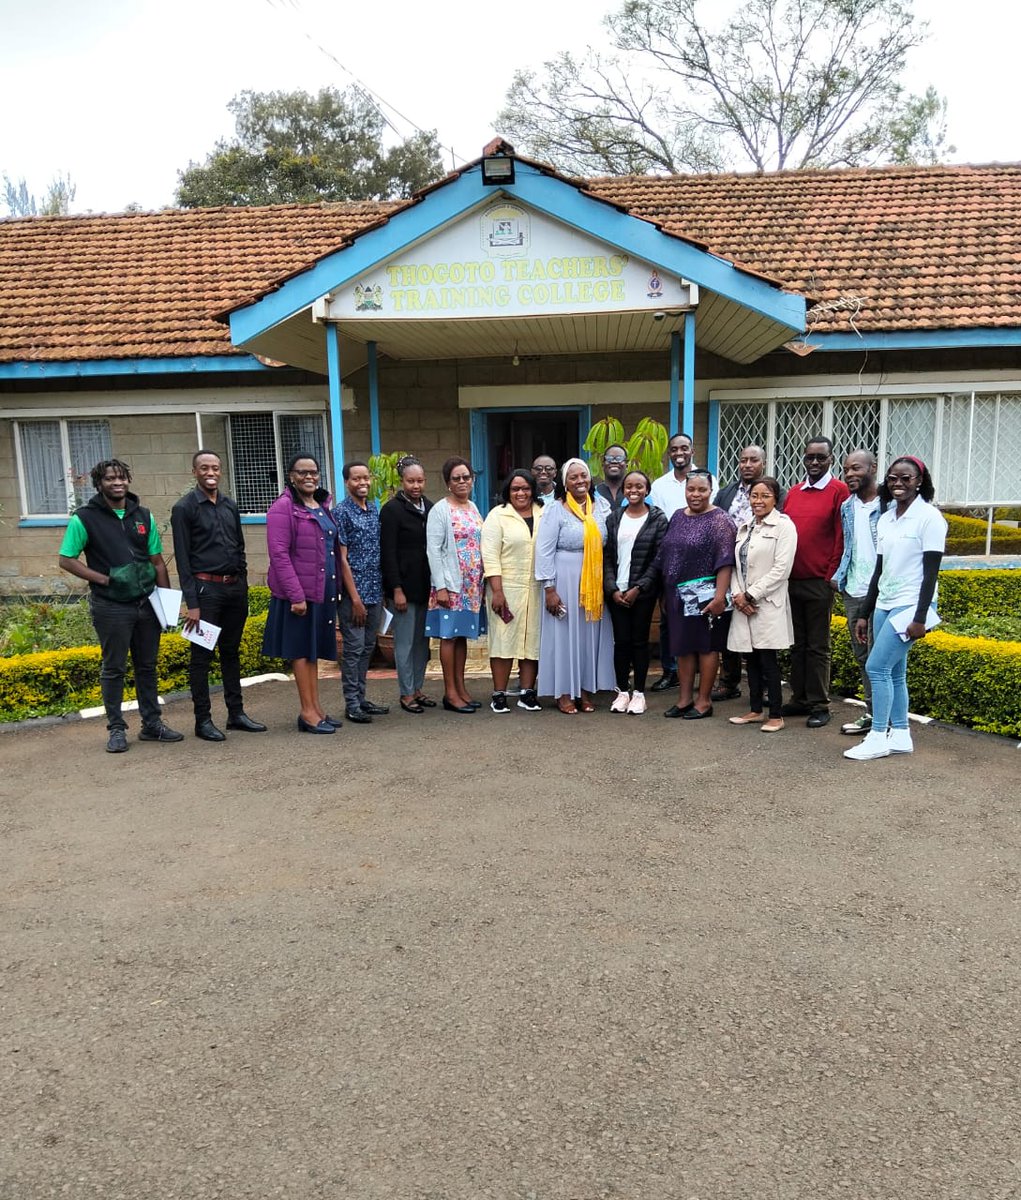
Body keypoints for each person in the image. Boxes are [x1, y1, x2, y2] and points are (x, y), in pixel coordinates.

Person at [58, 458, 183, 753]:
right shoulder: (84, 518)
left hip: (146, 604)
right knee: (114, 668)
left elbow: (156, 562)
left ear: (128, 480)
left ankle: (152, 725)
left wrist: (166, 602)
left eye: (122, 478)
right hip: (111, 606)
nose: (117, 483)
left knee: (147, 667)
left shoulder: (143, 515)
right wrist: (103, 580)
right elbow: (66, 559)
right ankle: (116, 729)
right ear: (99, 484)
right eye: (110, 479)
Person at [844, 456, 946, 761]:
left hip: (911, 605)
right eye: (893, 478)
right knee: (896, 672)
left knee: (876, 667)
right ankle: (901, 734)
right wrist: (864, 613)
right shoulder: (886, 518)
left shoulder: (930, 518)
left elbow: (931, 574)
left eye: (906, 478)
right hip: (885, 603)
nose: (899, 484)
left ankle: (878, 735)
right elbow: (879, 571)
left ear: (919, 481)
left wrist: (919, 619)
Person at [170, 450, 266, 742]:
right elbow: (183, 561)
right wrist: (192, 604)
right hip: (205, 592)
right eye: (204, 468)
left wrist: (244, 585)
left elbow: (239, 547)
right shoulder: (184, 508)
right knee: (200, 657)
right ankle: (203, 721)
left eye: (215, 468)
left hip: (234, 589)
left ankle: (236, 714)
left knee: (231, 653)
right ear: (194, 472)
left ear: (220, 471)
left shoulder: (229, 505)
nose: (210, 472)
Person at [262, 454, 340, 734]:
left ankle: (316, 708)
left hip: (320, 592)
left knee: (312, 652)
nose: (309, 477)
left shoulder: (320, 504)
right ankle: (307, 712)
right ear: (291, 476)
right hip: (299, 596)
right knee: (300, 651)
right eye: (302, 472)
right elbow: (279, 555)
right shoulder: (283, 507)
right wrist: (296, 595)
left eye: (314, 471)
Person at [534, 458, 615, 713]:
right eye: (573, 477)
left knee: (588, 636)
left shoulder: (600, 507)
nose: (580, 481)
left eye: (584, 476)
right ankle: (564, 692)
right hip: (563, 580)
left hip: (594, 580)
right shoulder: (555, 509)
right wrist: (549, 588)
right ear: (565, 483)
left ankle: (584, 689)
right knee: (564, 637)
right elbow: (544, 550)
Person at [654, 470, 736, 719]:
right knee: (683, 647)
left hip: (707, 595)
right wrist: (664, 594)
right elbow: (665, 553)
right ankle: (684, 699)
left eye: (702, 489)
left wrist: (720, 597)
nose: (696, 494)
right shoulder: (678, 516)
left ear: (711, 491)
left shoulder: (720, 519)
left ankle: (704, 701)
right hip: (678, 595)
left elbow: (725, 561)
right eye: (691, 489)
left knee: (707, 647)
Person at [781, 436, 850, 727]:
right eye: (810, 457)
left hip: (819, 581)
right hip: (792, 580)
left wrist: (831, 575)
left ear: (831, 459)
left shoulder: (839, 491)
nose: (815, 463)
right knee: (797, 644)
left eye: (821, 457)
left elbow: (841, 535)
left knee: (818, 646)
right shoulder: (795, 492)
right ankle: (800, 698)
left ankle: (820, 704)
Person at [726, 477, 797, 733]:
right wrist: (737, 595)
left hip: (766, 603)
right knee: (751, 658)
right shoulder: (745, 527)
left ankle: (775, 714)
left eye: (765, 495)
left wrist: (751, 595)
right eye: (754, 495)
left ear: (776, 498)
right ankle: (755, 710)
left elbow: (781, 569)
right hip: (744, 603)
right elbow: (735, 566)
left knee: (768, 660)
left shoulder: (784, 527)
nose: (758, 500)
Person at [603, 470, 669, 714]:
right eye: (629, 486)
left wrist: (639, 587)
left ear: (647, 490)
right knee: (621, 643)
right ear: (623, 489)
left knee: (640, 643)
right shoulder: (614, 517)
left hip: (643, 593)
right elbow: (607, 556)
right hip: (616, 592)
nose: (634, 490)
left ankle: (639, 693)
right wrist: (612, 588)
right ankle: (622, 691)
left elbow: (659, 558)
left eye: (639, 486)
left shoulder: (658, 519)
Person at [425, 456, 486, 714]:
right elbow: (433, 550)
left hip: (472, 586)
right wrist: (440, 587)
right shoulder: (441, 509)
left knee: (461, 638)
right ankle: (450, 693)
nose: (462, 482)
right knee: (448, 638)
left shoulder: (472, 507)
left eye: (466, 477)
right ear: (448, 483)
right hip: (450, 585)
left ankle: (461, 689)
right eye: (456, 478)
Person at [481, 469, 544, 713]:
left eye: (526, 488)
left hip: (536, 586)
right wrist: (497, 591)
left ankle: (527, 693)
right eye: (515, 489)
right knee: (503, 641)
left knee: (532, 641)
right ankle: (499, 694)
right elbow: (490, 556)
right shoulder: (498, 516)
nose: (521, 493)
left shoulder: (543, 512)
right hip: (505, 587)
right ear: (508, 491)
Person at [833, 450, 885, 736]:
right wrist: (838, 576)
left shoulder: (889, 505)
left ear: (872, 468)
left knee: (881, 659)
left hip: (881, 592)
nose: (850, 474)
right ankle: (872, 712)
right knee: (863, 656)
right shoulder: (848, 506)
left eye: (856, 468)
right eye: (846, 470)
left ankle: (886, 718)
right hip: (853, 590)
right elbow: (849, 545)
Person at [335, 460, 389, 725]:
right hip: (353, 595)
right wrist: (354, 599)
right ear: (347, 482)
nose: (363, 483)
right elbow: (342, 560)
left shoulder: (373, 509)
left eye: (366, 478)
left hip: (375, 591)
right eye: (356, 479)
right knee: (354, 649)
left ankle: (362, 698)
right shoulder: (341, 513)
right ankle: (352, 704)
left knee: (368, 647)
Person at [380, 455, 435, 714]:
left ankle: (418, 688)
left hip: (427, 587)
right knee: (404, 643)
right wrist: (396, 589)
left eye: (420, 481)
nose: (416, 486)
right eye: (411, 481)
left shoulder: (431, 507)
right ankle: (406, 692)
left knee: (422, 643)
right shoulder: (392, 510)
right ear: (402, 482)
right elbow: (388, 552)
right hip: (403, 589)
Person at [712, 444, 767, 701]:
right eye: (743, 460)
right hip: (728, 567)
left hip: (758, 569)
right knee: (728, 625)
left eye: (753, 460)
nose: (747, 465)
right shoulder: (726, 493)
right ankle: (729, 681)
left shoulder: (773, 492)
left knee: (759, 627)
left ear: (763, 464)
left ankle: (764, 685)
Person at [649, 432, 696, 691]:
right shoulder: (659, 485)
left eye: (684, 448)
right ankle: (670, 670)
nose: (679, 453)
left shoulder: (704, 477)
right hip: (670, 560)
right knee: (668, 617)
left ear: (692, 451)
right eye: (674, 449)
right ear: (669, 454)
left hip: (699, 560)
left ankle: (697, 671)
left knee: (697, 617)